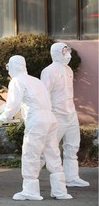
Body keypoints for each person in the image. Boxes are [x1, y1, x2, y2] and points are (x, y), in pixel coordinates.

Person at [0, 55, 72, 200]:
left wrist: (1, 119)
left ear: (13, 66)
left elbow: (13, 105)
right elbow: (40, 101)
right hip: (50, 119)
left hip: (37, 121)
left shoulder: (17, 81)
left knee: (31, 154)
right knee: (53, 154)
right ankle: (60, 191)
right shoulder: (36, 80)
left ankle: (31, 191)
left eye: (8, 67)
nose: (8, 70)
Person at [40, 42, 90, 187]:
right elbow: (45, 94)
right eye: (64, 51)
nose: (68, 54)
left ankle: (71, 177)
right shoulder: (48, 71)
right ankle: (31, 176)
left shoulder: (68, 70)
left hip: (71, 113)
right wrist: (47, 114)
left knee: (72, 146)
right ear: (56, 53)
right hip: (57, 114)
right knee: (48, 146)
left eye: (67, 51)